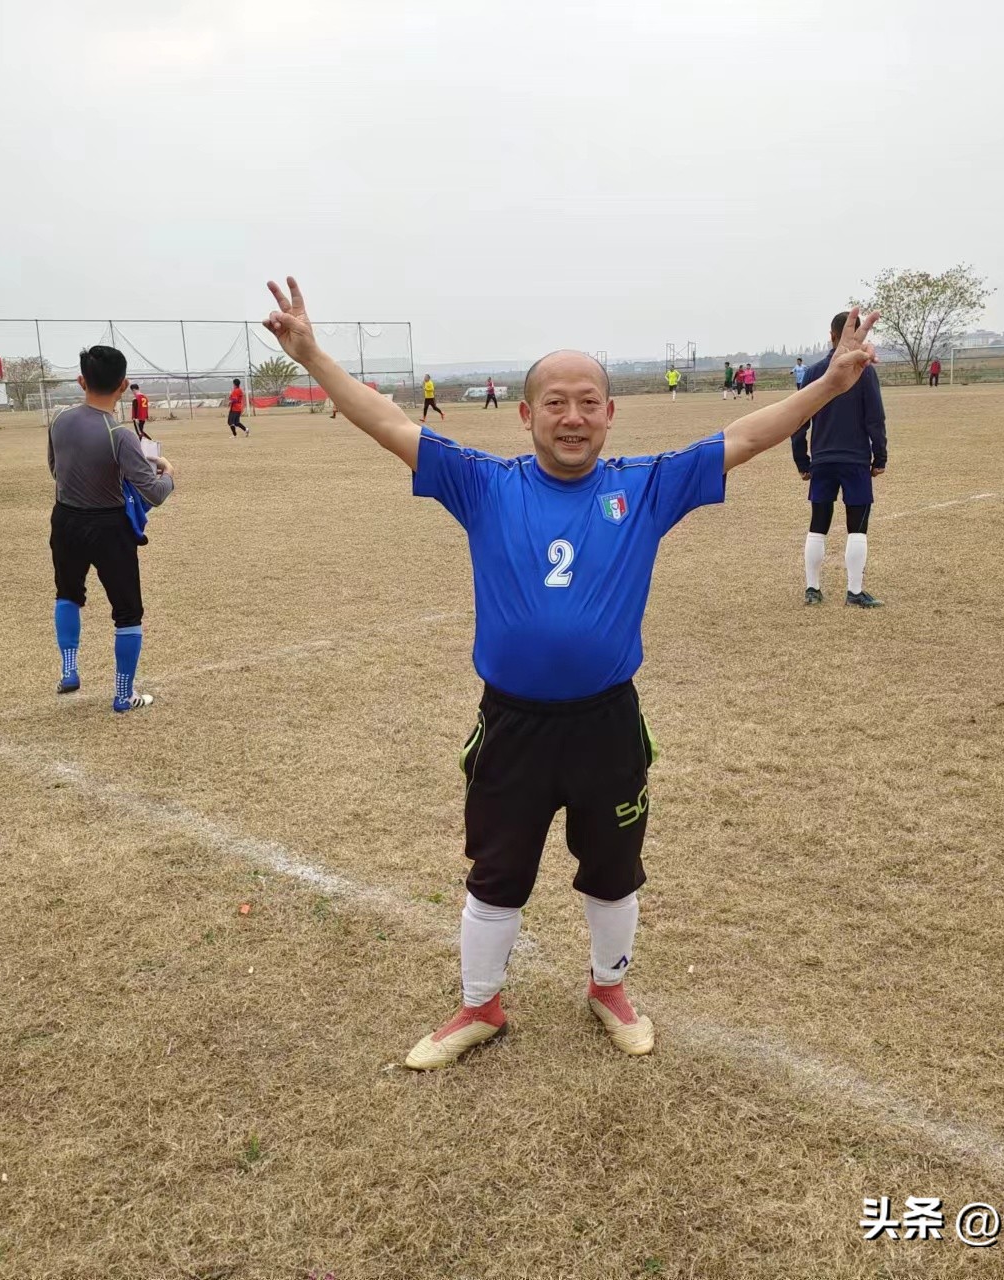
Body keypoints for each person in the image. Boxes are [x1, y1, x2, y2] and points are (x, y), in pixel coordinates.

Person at [260, 276, 879, 1070]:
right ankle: (479, 1005)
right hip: (512, 724)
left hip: (607, 724)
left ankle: (608, 988)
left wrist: (830, 384)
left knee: (614, 869)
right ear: (526, 415)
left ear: (610, 413)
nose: (573, 416)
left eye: (589, 401)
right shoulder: (483, 483)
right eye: (555, 402)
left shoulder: (646, 486)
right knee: (496, 872)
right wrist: (311, 354)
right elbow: (386, 420)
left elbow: (746, 438)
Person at [47, 345, 177, 712]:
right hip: (109, 528)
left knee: (68, 593)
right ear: (123, 386)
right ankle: (123, 694)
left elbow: (55, 469)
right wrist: (168, 474)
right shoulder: (120, 435)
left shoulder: (58, 419)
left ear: (81, 380)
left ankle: (69, 669)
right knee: (127, 612)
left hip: (65, 520)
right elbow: (153, 492)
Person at [791, 311, 888, 608]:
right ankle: (854, 592)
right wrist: (880, 456)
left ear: (831, 335)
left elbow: (799, 418)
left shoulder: (813, 372)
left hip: (821, 460)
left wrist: (802, 460)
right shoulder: (864, 371)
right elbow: (875, 418)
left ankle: (812, 589)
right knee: (857, 527)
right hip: (855, 460)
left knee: (817, 524)